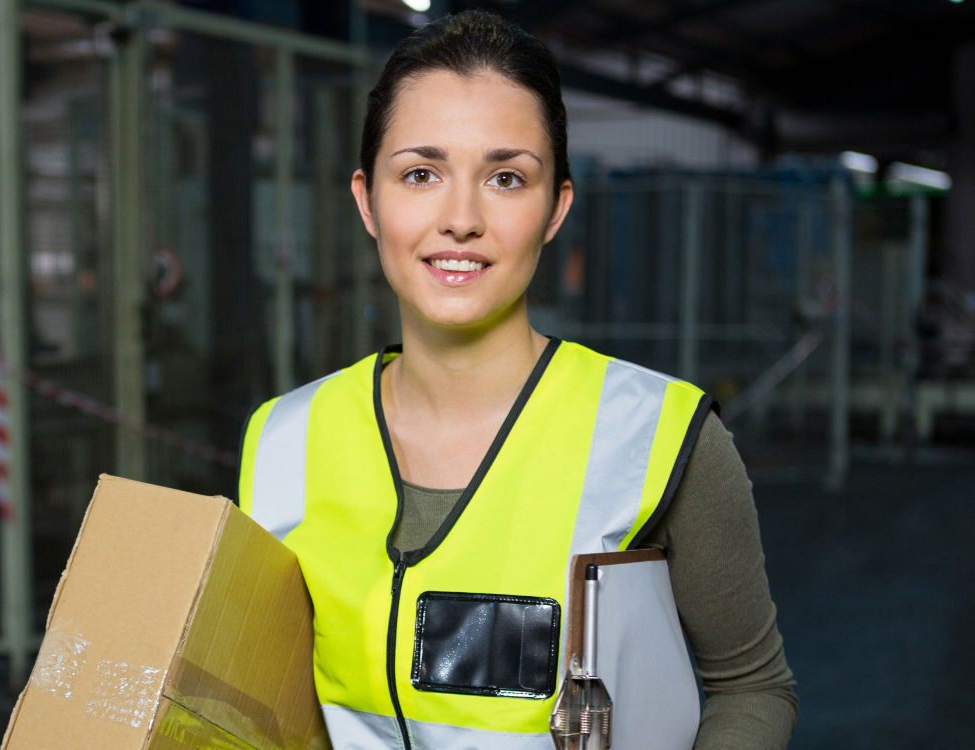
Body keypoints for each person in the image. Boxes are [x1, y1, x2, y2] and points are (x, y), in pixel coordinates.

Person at [237, 11, 795, 750]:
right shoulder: (281, 440)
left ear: (555, 209)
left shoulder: (658, 437)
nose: (460, 218)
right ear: (369, 200)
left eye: (505, 178)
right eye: (421, 174)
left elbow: (751, 687)